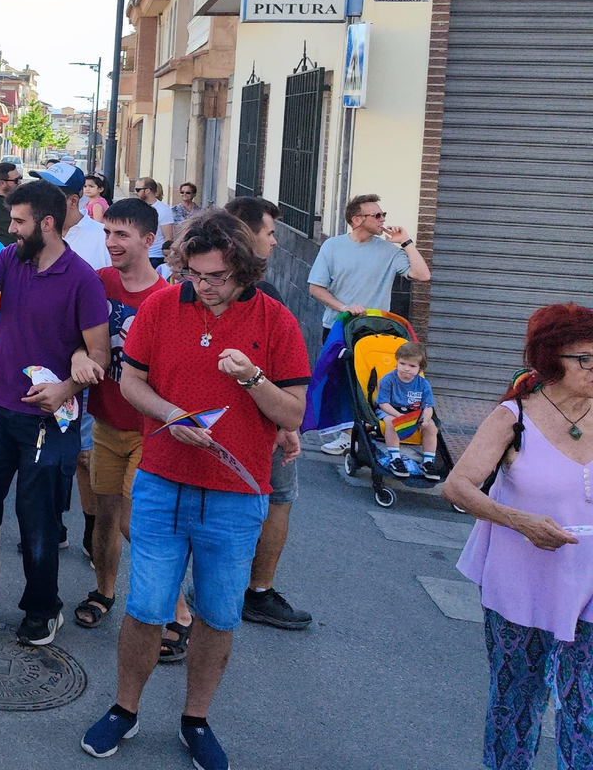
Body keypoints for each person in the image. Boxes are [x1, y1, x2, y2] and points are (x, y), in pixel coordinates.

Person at [82, 210, 309, 769]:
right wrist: (168, 413)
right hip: (161, 482)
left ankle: (196, 720)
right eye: (196, 275)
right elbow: (130, 379)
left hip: (237, 492)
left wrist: (252, 378)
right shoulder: (162, 305)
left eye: (217, 278)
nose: (204, 288)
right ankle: (124, 710)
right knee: (146, 606)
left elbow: (294, 411)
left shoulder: (277, 322)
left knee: (218, 613)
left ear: (245, 271)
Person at [0, 180, 109, 647]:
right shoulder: (11, 259)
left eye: (19, 221)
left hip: (50, 421)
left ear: (47, 223)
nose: (11, 229)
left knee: (36, 520)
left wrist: (64, 388)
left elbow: (98, 356)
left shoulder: (83, 279)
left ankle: (42, 609)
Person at [447, 302, 593, 770]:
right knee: (517, 704)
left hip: (588, 580)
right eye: (586, 359)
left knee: (586, 709)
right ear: (551, 359)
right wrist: (521, 522)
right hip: (522, 579)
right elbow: (458, 486)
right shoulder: (515, 417)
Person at [74, 198, 174, 639]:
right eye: (107, 233)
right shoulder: (98, 282)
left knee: (138, 523)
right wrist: (79, 354)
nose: (110, 243)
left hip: (148, 432)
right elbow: (75, 338)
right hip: (105, 421)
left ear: (149, 241)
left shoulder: (168, 299)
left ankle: (177, 613)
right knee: (103, 517)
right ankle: (103, 592)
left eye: (122, 235)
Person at [222, 195, 313, 633]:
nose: (275, 242)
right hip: (253, 425)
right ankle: (256, 592)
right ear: (243, 231)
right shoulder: (263, 298)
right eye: (269, 232)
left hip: (243, 421)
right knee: (278, 497)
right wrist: (281, 426)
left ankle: (220, 587)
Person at [311, 193, 431, 456]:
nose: (383, 219)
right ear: (356, 220)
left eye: (382, 214)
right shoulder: (332, 246)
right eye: (376, 215)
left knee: (371, 382)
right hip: (339, 327)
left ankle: (360, 432)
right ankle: (346, 433)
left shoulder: (389, 251)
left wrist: (406, 242)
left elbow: (423, 275)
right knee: (341, 382)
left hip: (374, 332)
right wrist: (344, 307)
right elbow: (315, 287)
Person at [376, 342, 442, 481]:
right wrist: (398, 415)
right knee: (393, 423)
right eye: (402, 363)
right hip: (391, 410)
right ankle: (395, 458)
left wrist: (425, 418)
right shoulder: (388, 380)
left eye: (412, 366)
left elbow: (428, 406)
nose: (406, 369)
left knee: (431, 427)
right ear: (397, 362)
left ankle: (428, 461)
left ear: (420, 368)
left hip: (414, 413)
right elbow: (383, 403)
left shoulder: (423, 384)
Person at [133, 179, 175, 270]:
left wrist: (167, 258)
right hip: (138, 255)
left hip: (155, 256)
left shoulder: (163, 210)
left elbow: (168, 237)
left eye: (137, 189)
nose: (135, 192)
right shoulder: (136, 208)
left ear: (147, 190)